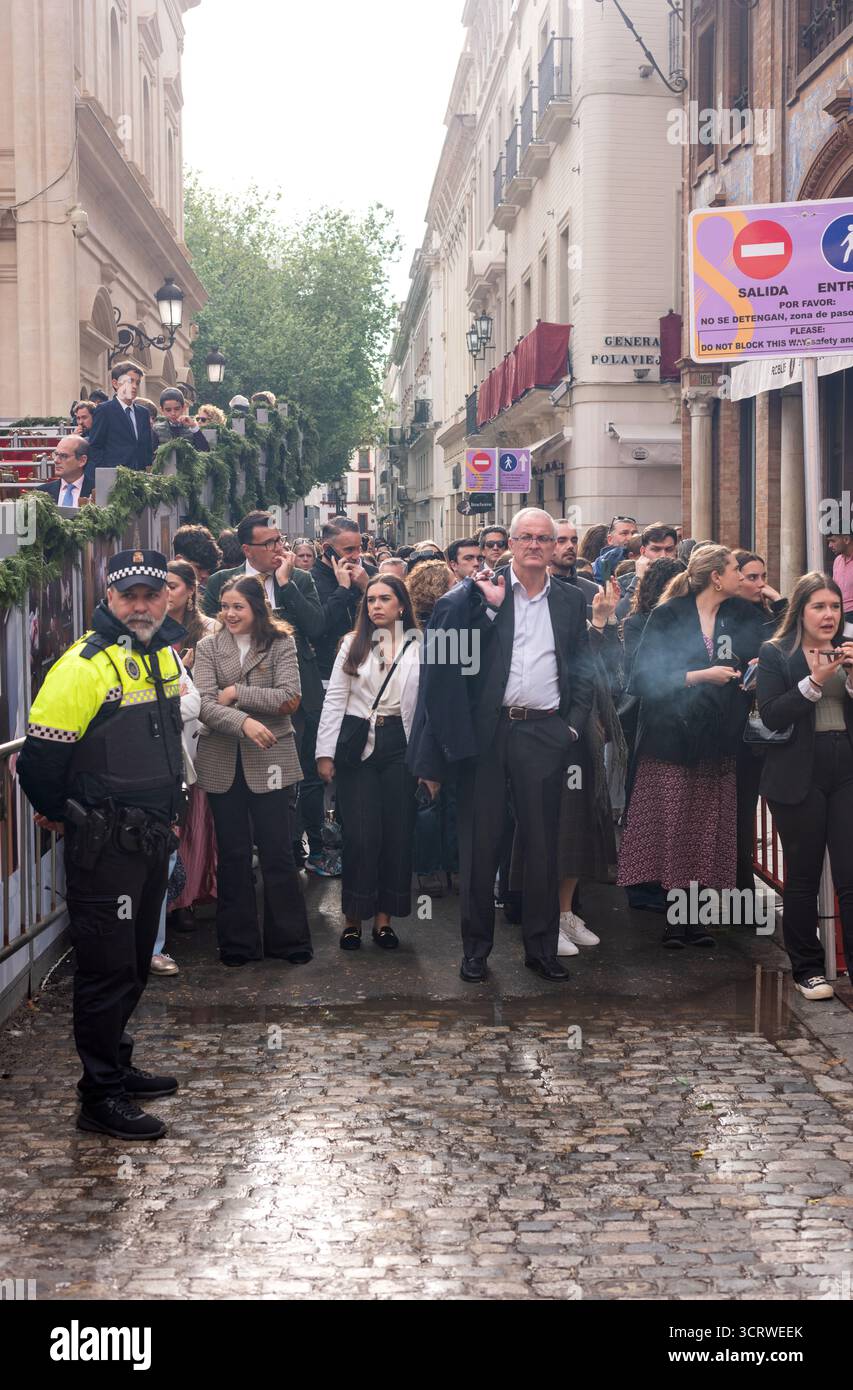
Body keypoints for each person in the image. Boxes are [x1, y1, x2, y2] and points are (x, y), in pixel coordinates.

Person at [16, 550, 187, 1140]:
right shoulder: (82, 665)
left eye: (150, 593)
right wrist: (64, 817)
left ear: (166, 596)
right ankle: (100, 1096)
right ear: (108, 597)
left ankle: (117, 1061)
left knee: (135, 962)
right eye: (128, 596)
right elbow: (39, 762)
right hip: (106, 845)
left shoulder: (159, 651)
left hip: (148, 836)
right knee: (106, 970)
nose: (140, 605)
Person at [408, 508, 594, 983]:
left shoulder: (571, 602)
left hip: (544, 733)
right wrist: (488, 608)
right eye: (525, 537)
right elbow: (446, 663)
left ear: (555, 546)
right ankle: (475, 952)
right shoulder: (475, 596)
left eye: (543, 538)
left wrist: (570, 727)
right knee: (480, 846)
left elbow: (582, 667)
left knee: (542, 847)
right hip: (487, 735)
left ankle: (541, 948)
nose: (534, 545)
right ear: (509, 543)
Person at [617, 545, 766, 945]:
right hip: (671, 741)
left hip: (718, 742)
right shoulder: (669, 614)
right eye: (737, 569)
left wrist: (753, 669)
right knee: (674, 828)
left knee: (704, 831)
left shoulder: (744, 615)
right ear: (716, 576)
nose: (744, 576)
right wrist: (700, 676)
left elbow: (778, 644)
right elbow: (643, 678)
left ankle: (695, 920)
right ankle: (673, 921)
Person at [193, 576, 312, 967]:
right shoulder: (208, 647)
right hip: (222, 760)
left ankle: (290, 940)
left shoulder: (281, 643)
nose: (229, 614)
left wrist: (239, 693)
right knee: (233, 855)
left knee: (278, 852)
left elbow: (290, 697)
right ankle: (238, 944)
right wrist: (243, 721)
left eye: (238, 607)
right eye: (224, 606)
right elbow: (204, 706)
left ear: (257, 608)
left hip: (272, 760)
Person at [202, 513, 326, 873]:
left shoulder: (298, 578)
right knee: (237, 820)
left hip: (288, 701)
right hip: (227, 727)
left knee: (288, 788)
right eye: (268, 543)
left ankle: (291, 847)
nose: (278, 548)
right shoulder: (222, 582)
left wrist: (286, 587)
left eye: (279, 540)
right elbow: (214, 634)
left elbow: (316, 627)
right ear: (247, 549)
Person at [756, 572, 853, 1000]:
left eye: (835, 606)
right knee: (803, 876)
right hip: (798, 774)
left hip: (846, 768)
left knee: (850, 877)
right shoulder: (777, 652)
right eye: (819, 606)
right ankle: (808, 968)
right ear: (801, 611)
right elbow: (773, 714)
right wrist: (814, 682)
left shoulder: (850, 651)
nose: (829, 614)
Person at [316, 575, 423, 950]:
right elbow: (335, 699)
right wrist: (325, 753)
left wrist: (428, 763)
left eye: (385, 599)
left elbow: (427, 708)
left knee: (397, 834)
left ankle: (384, 921)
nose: (376, 606)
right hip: (358, 744)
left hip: (401, 744)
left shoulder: (420, 645)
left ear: (401, 605)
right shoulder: (351, 643)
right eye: (371, 600)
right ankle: (352, 919)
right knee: (362, 836)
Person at [158, 561, 220, 942]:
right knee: (171, 829)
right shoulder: (151, 635)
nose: (167, 594)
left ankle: (187, 900)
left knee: (194, 825)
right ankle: (165, 903)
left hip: (198, 738)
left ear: (191, 590)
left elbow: (199, 697)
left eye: (173, 586)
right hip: (164, 745)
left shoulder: (208, 630)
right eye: (160, 587)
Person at [732, 549, 788, 893]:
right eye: (752, 577)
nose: (760, 584)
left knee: (763, 806)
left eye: (763, 576)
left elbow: (792, 637)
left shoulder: (765, 613)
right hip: (739, 726)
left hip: (770, 724)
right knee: (739, 811)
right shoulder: (725, 615)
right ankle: (741, 887)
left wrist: (779, 601)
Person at [311, 519, 377, 681]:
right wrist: (343, 589)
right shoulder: (310, 579)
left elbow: (389, 619)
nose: (356, 556)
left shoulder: (371, 573)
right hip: (327, 672)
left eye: (359, 548)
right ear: (327, 549)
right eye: (349, 550)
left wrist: (366, 587)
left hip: (368, 668)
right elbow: (317, 627)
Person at [86, 362, 155, 473]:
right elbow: (95, 447)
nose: (134, 386)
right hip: (114, 477)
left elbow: (147, 449)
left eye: (137, 382)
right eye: (130, 381)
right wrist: (100, 478)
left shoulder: (143, 413)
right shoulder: (104, 410)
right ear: (115, 383)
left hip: (140, 478)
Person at [614, 523, 679, 618]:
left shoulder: (685, 579)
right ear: (643, 551)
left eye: (669, 549)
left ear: (676, 551)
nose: (663, 555)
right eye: (656, 549)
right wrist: (639, 579)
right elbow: (620, 616)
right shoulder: (624, 583)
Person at [38, 435, 93, 506]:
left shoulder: (98, 493)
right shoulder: (42, 492)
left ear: (82, 460)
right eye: (56, 454)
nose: (56, 460)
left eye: (63, 456)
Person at [173, 524, 222, 595]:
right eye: (199, 568)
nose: (204, 575)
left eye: (209, 570)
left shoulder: (210, 597)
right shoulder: (161, 594)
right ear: (179, 560)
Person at [592, 514, 639, 584]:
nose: (630, 537)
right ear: (610, 540)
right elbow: (605, 585)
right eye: (624, 533)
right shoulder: (605, 561)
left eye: (634, 533)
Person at [828, 532, 853, 624]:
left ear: (846, 540)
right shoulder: (838, 561)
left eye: (833, 541)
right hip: (840, 614)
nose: (830, 545)